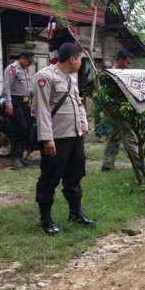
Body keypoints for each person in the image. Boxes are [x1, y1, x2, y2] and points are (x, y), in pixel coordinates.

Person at [33, 42, 95, 236]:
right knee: (49, 178)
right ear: (72, 59)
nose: (82, 63)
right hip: (56, 138)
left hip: (74, 136)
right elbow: (41, 110)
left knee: (75, 176)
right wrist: (47, 139)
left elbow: (78, 103)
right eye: (81, 59)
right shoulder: (44, 77)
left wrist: (83, 126)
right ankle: (46, 219)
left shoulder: (72, 78)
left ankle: (75, 213)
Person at [101, 49, 138, 171]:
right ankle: (139, 163)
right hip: (115, 111)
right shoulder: (110, 74)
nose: (129, 66)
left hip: (123, 110)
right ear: (120, 60)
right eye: (127, 63)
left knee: (115, 137)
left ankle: (107, 164)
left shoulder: (123, 73)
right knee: (130, 136)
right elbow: (104, 95)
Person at [2, 49, 34, 169]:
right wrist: (8, 104)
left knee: (27, 129)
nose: (30, 63)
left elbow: (28, 88)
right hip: (15, 103)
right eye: (28, 60)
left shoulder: (24, 70)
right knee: (19, 129)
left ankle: (20, 157)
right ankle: (15, 158)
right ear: (23, 58)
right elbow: (7, 87)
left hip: (25, 103)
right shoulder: (12, 69)